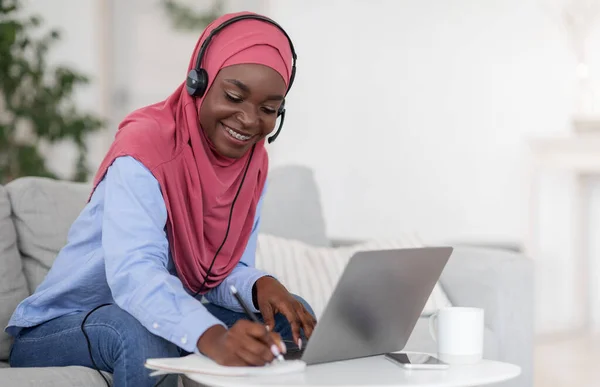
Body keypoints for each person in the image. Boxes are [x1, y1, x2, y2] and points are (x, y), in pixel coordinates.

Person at [6, 11, 316, 387]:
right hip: (61, 327)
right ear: (198, 82)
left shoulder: (252, 166)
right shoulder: (143, 149)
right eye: (234, 96)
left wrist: (259, 284)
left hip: (156, 317)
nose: (250, 120)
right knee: (143, 335)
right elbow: (136, 274)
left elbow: (214, 274)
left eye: (268, 109)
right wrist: (211, 336)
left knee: (293, 320)